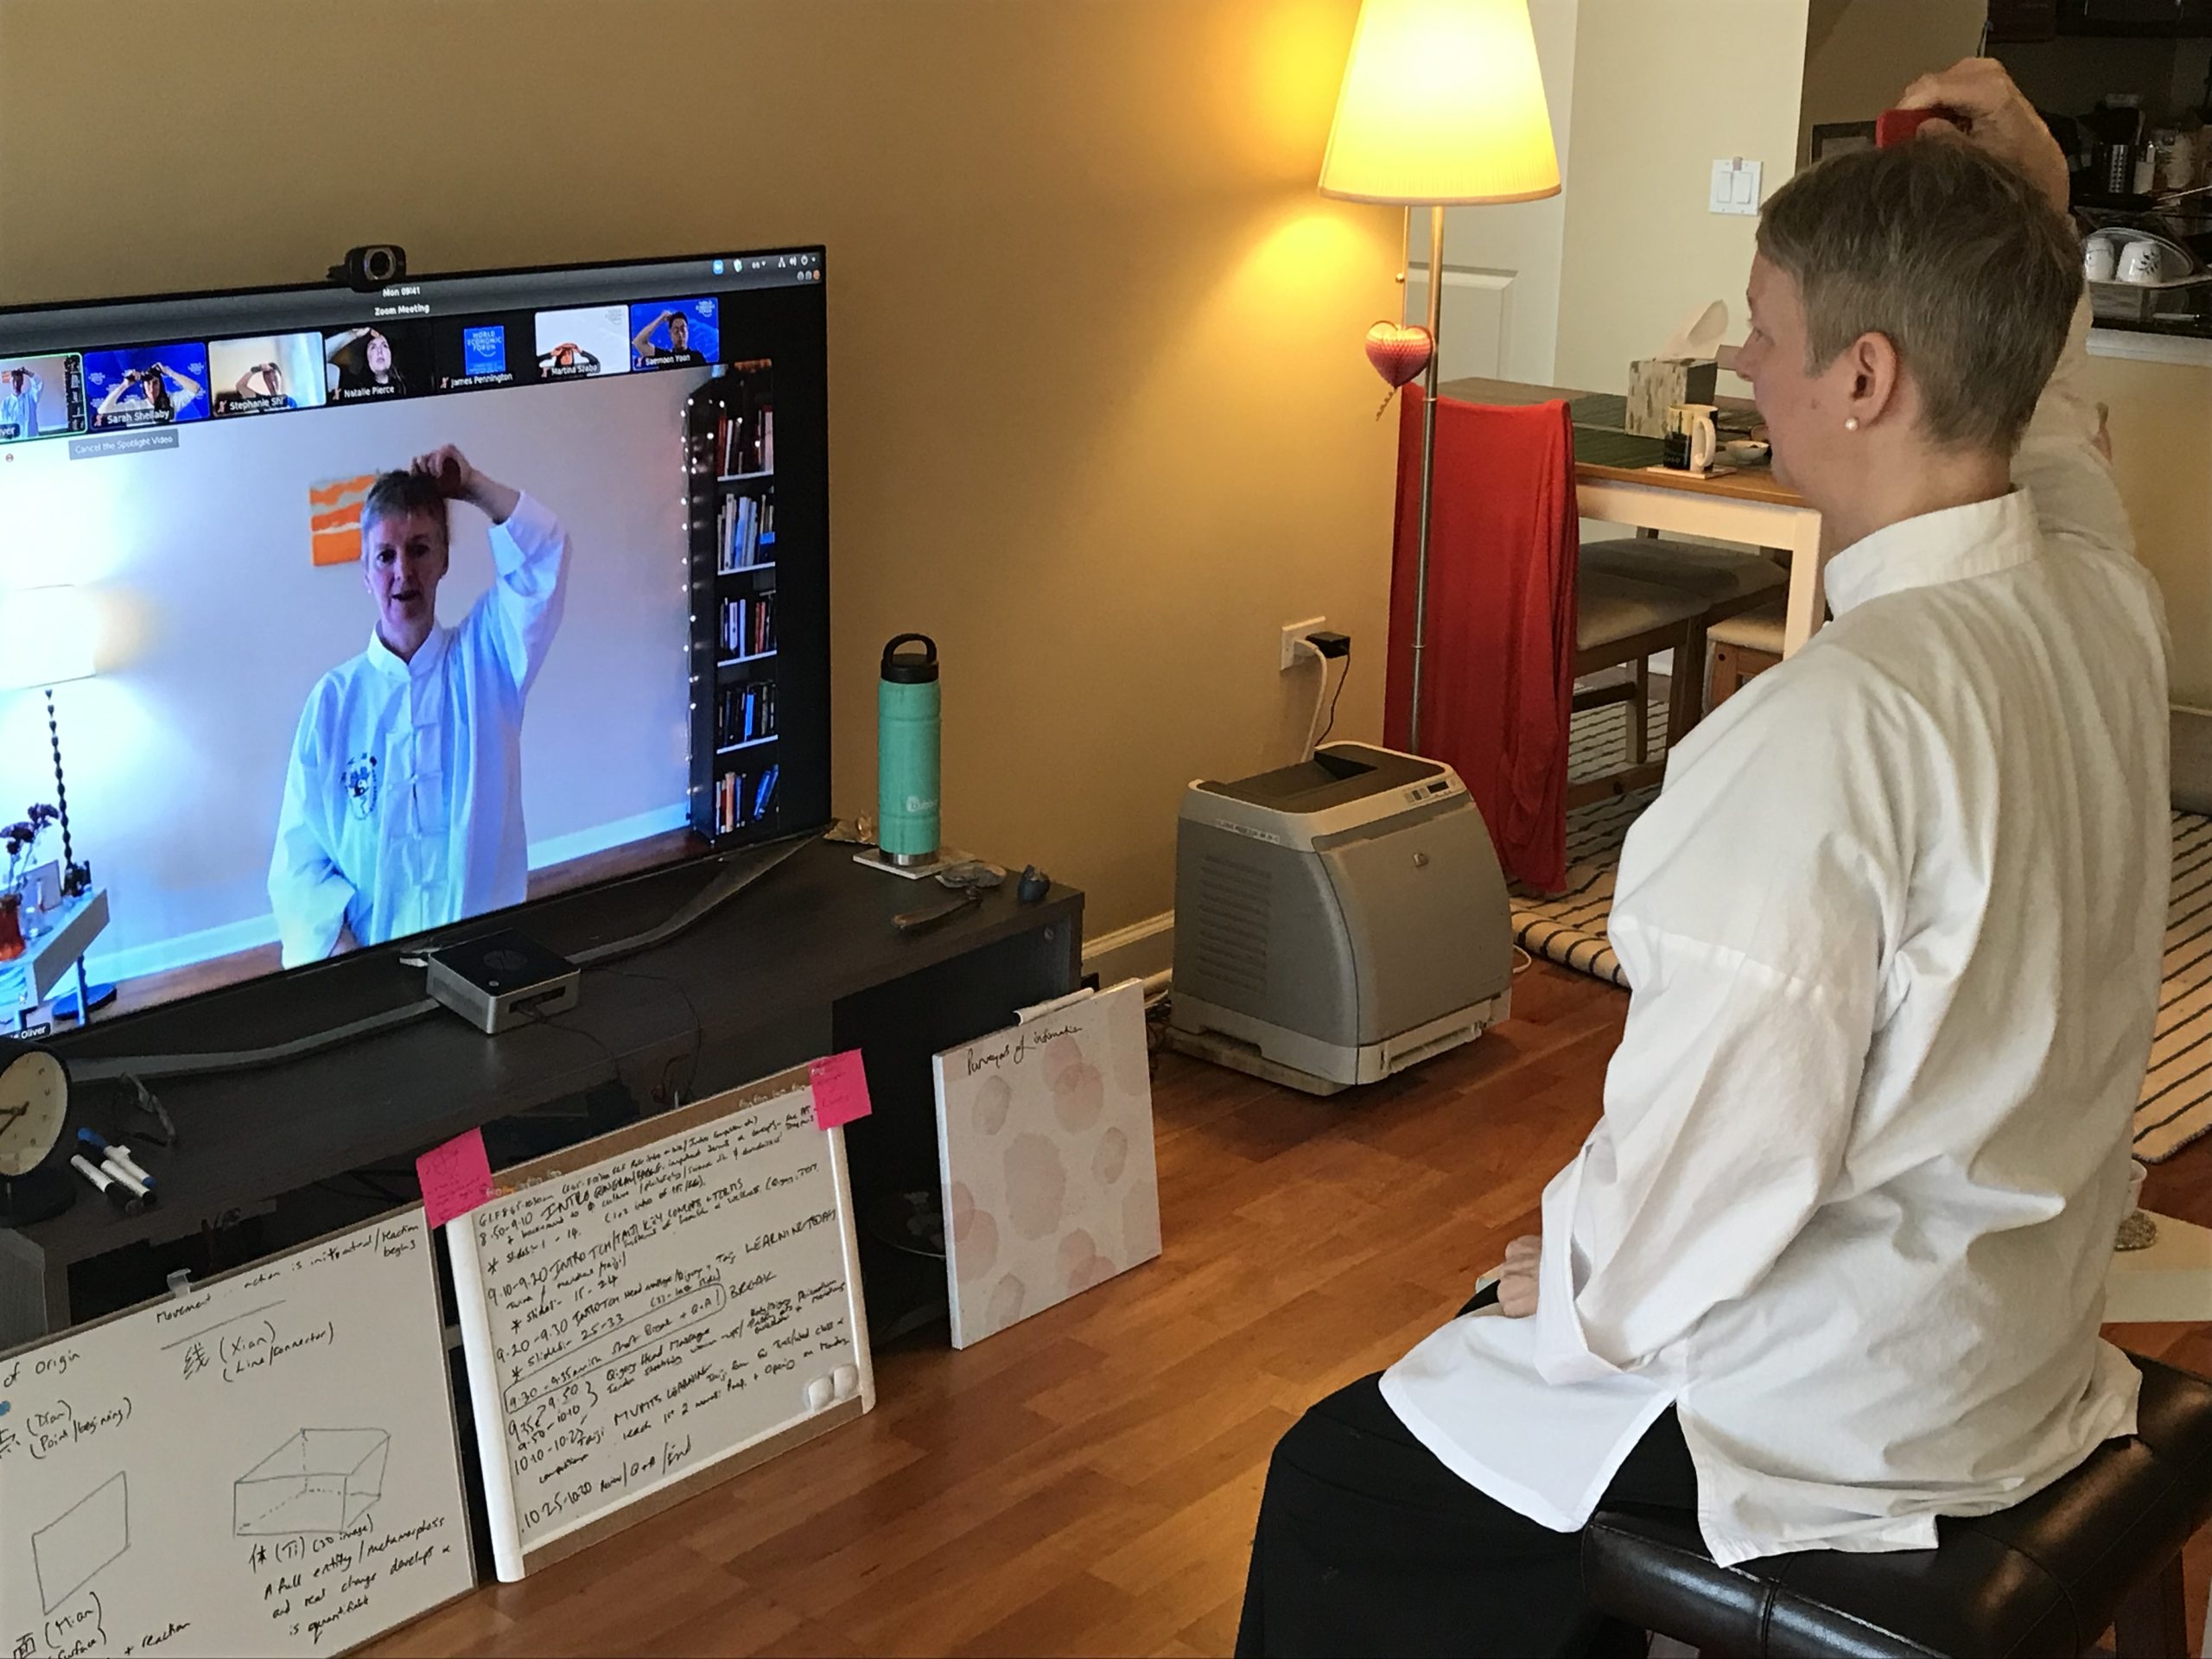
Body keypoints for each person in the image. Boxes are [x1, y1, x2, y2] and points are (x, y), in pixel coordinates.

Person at [1236, 59, 2170, 1659]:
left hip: (1857, 1405)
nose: (1744, 356)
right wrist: (2045, 222)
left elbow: (1723, 1156)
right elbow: (2058, 436)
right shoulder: (2102, 601)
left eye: (1764, 326)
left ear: (1864, 378)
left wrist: (1582, 1285)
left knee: (1347, 1479)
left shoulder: (1825, 733)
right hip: (2016, 1333)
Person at [269, 444, 571, 963]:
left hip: (481, 957)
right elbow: (300, 858)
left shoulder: (487, 662)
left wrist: (472, 484)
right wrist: (341, 952)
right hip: (370, 967)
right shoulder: (334, 703)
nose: (403, 572)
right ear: (365, 572)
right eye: (385, 555)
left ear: (444, 560)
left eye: (420, 549)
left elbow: (544, 556)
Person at [95, 359, 201, 426]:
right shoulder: (135, 407)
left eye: (155, 383)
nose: (151, 388)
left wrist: (169, 372)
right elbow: (103, 411)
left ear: (161, 384)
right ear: (143, 386)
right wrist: (124, 385)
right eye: (148, 384)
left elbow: (195, 388)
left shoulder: (171, 401)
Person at [326, 327, 407, 398]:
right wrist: (351, 335)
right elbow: (315, 356)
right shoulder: (347, 382)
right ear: (367, 357)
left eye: (384, 346)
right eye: (373, 348)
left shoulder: (407, 386)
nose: (380, 351)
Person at [631, 308, 696, 367]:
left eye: (683, 330)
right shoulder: (664, 358)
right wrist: (661, 318)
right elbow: (638, 342)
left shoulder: (697, 357)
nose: (680, 334)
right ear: (670, 334)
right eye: (676, 331)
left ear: (687, 331)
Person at [1, 365, 42, 440]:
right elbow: (3, 426)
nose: (16, 384)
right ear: (10, 382)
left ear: (22, 382)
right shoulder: (5, 404)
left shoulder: (30, 398)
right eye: (14, 381)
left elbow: (38, 384)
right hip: (14, 444)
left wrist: (27, 372)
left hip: (32, 441)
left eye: (19, 381)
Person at [536, 341, 600, 374]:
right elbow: (531, 366)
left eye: (569, 353)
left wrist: (581, 352)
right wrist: (550, 354)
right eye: (564, 354)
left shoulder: (579, 370)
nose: (567, 356)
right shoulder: (550, 372)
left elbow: (596, 365)